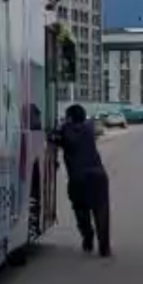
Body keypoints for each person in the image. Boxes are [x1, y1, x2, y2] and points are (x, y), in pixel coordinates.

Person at [53, 104, 111, 257]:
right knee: (101, 212)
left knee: (80, 210)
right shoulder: (89, 128)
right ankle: (104, 248)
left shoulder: (65, 130)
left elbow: (53, 138)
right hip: (99, 175)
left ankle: (88, 236)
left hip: (78, 178)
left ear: (70, 117)